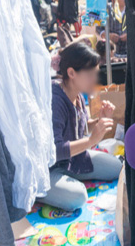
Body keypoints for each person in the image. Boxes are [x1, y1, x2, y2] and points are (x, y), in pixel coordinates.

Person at [39, 40, 121, 210]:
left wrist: (99, 120)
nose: (95, 79)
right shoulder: (55, 100)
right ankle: (39, 192)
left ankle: (68, 182)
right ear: (71, 73)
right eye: (90, 75)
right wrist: (91, 140)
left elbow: (80, 127)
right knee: (78, 197)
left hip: (73, 159)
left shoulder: (76, 94)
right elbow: (55, 150)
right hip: (50, 169)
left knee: (116, 167)